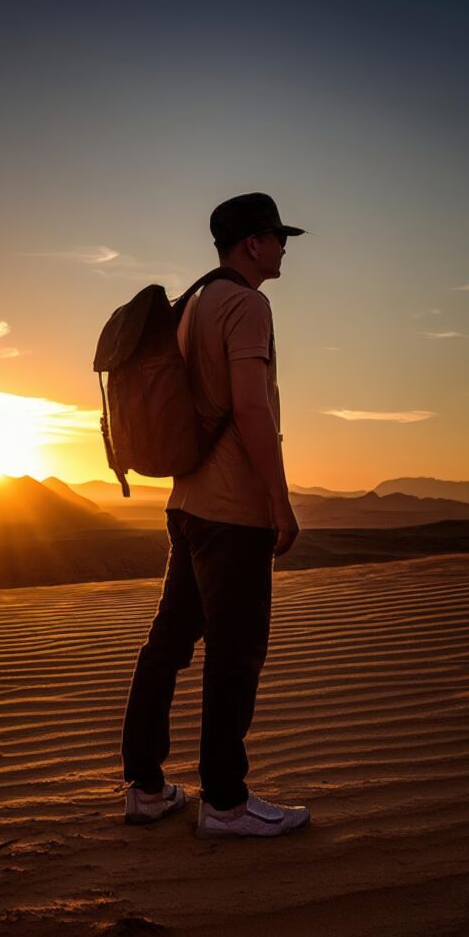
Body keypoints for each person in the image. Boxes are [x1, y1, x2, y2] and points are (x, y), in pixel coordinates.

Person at [119, 191, 310, 838]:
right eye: (278, 236)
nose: (285, 247)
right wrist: (279, 500)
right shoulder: (249, 305)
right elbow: (251, 408)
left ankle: (145, 787)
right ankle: (224, 802)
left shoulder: (192, 304)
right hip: (233, 513)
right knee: (236, 654)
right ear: (253, 243)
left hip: (186, 505)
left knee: (168, 644)